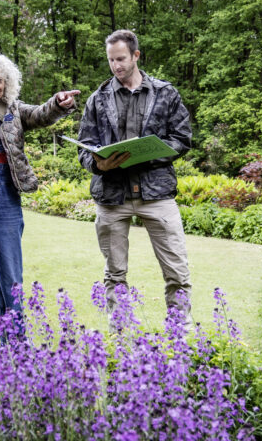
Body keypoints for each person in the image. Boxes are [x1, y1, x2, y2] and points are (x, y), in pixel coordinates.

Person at [0, 52, 79, 341]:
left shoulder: (16, 112)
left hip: (7, 198)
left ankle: (16, 344)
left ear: (7, 83)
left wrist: (58, 103)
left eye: (0, 80)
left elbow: (42, 114)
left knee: (11, 274)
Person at [76, 29, 193, 320]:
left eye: (121, 59)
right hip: (112, 196)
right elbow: (84, 148)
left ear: (136, 55)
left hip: (157, 195)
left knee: (177, 272)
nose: (116, 65)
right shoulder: (97, 99)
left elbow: (182, 137)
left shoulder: (166, 93)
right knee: (115, 275)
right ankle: (121, 337)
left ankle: (181, 335)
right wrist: (99, 165)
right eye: (111, 60)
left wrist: (150, 154)